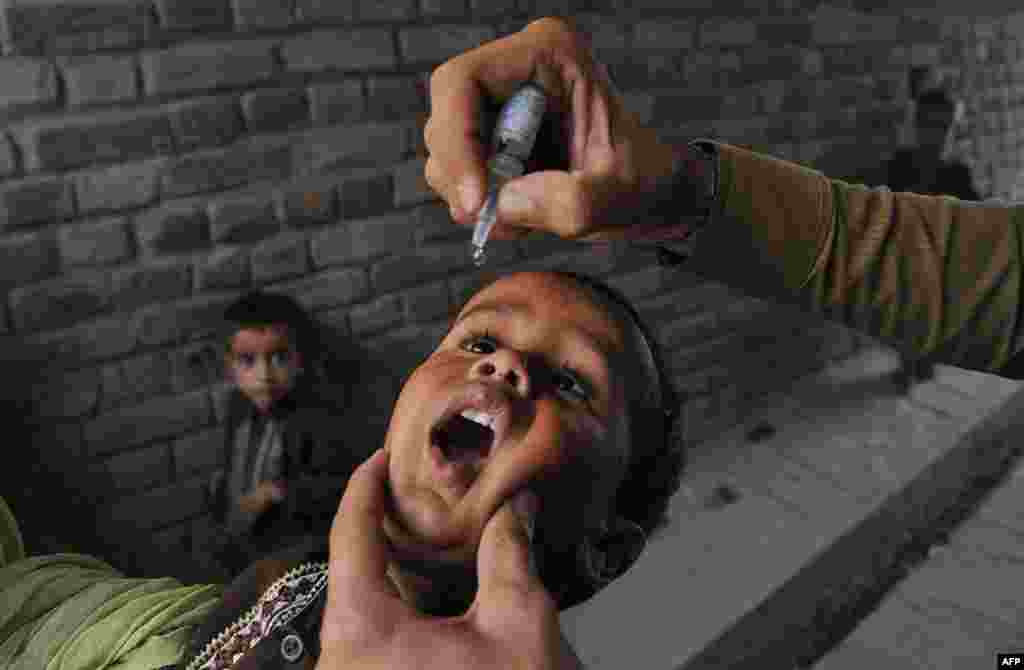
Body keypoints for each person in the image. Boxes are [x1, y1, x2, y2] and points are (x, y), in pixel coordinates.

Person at [196, 291, 356, 580]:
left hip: (298, 555)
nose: (264, 374)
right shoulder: (238, 408)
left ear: (301, 360)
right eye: (248, 361)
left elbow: (340, 487)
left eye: (279, 358)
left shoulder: (315, 416)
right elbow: (235, 465)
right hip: (247, 547)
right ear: (230, 367)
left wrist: (276, 493)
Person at [882, 87, 982, 387]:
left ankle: (924, 359)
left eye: (944, 127)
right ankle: (907, 364)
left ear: (952, 130)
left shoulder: (958, 173)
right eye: (929, 125)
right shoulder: (901, 164)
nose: (937, 135)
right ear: (917, 126)